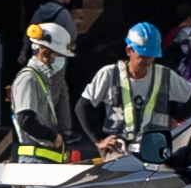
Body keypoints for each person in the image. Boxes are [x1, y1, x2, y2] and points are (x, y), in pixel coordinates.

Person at [79, 19, 184, 158]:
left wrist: (175, 118)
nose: (148, 60)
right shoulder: (110, 74)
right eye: (143, 56)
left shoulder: (163, 75)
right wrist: (98, 141)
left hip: (154, 149)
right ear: (129, 51)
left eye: (152, 56)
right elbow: (82, 107)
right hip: (120, 151)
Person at [8, 15, 77, 161]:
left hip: (44, 159)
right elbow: (25, 120)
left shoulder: (42, 79)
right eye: (59, 55)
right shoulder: (29, 78)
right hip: (35, 161)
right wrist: (53, 137)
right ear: (45, 51)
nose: (62, 60)